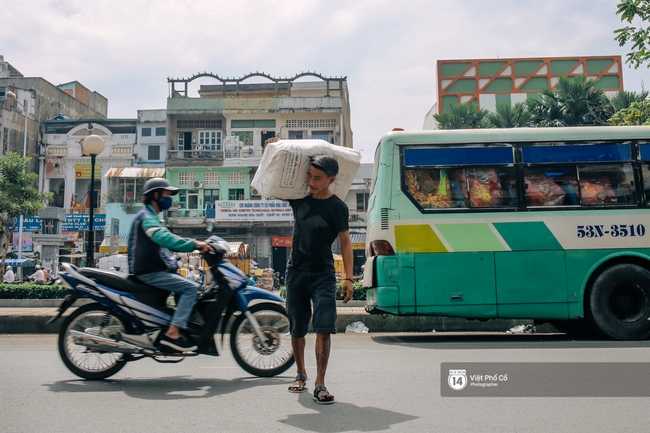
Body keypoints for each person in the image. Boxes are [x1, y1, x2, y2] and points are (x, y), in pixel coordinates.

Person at [284, 155, 354, 405]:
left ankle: (320, 382)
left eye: (318, 178)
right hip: (296, 272)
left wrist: (348, 277)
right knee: (297, 326)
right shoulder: (298, 197)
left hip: (324, 273)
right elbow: (275, 184)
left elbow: (346, 243)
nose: (312, 182)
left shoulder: (338, 207)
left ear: (331, 180)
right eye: (309, 176)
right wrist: (271, 150)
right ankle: (300, 374)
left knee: (324, 326)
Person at [127, 177, 212, 352]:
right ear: (156, 195)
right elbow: (164, 238)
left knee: (186, 285)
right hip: (149, 272)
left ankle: (176, 326)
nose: (169, 199)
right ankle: (173, 333)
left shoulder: (151, 217)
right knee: (191, 288)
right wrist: (194, 244)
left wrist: (176, 260)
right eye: (166, 194)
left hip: (152, 269)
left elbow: (162, 248)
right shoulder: (147, 218)